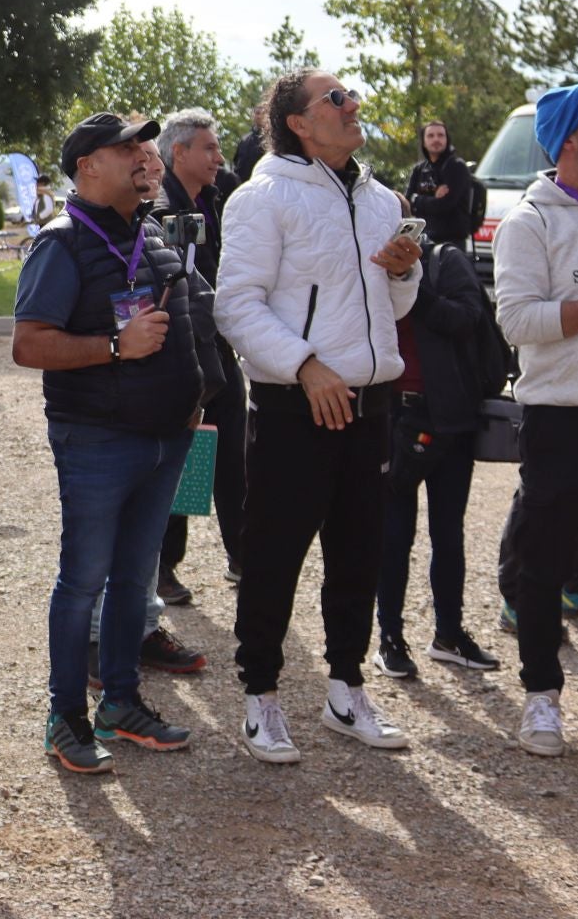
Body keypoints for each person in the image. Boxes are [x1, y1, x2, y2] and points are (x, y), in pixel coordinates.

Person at [218, 70, 422, 764]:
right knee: (273, 555)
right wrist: (305, 365)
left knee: (359, 553)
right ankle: (261, 700)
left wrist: (401, 271)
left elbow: (393, 310)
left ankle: (346, 689)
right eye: (336, 99)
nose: (352, 105)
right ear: (299, 123)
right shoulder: (260, 198)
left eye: (351, 95)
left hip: (369, 404)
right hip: (293, 405)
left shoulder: (379, 197)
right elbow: (235, 305)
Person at [13, 115, 202, 775]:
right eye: (129, 149)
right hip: (98, 439)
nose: (145, 159)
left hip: (164, 438)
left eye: (146, 148)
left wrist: (196, 400)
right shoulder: (60, 245)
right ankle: (65, 717)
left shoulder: (148, 232)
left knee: (134, 581)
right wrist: (116, 347)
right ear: (88, 165)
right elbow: (28, 343)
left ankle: (120, 702)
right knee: (84, 581)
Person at [492, 82, 578, 757]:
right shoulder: (530, 221)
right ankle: (542, 700)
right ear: (571, 136)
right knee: (544, 568)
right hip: (560, 417)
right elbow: (516, 321)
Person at [373, 229, 499, 679]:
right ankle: (389, 638)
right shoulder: (363, 265)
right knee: (393, 536)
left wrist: (411, 285)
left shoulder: (446, 261)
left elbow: (467, 319)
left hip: (449, 419)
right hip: (390, 419)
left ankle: (449, 633)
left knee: (448, 534)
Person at [153, 108, 245, 597]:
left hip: (217, 345)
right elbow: (176, 285)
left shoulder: (212, 199)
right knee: (179, 452)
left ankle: (242, 553)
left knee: (233, 449)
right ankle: (164, 566)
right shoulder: (163, 207)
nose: (218, 157)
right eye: (208, 148)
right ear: (179, 152)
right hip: (181, 352)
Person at [406, 121, 475, 251]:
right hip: (424, 242)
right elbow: (407, 203)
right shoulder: (419, 169)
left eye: (440, 135)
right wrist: (431, 199)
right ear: (423, 141)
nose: (436, 139)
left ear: (447, 139)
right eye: (430, 136)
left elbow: (446, 204)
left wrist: (418, 199)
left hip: (452, 244)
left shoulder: (456, 166)